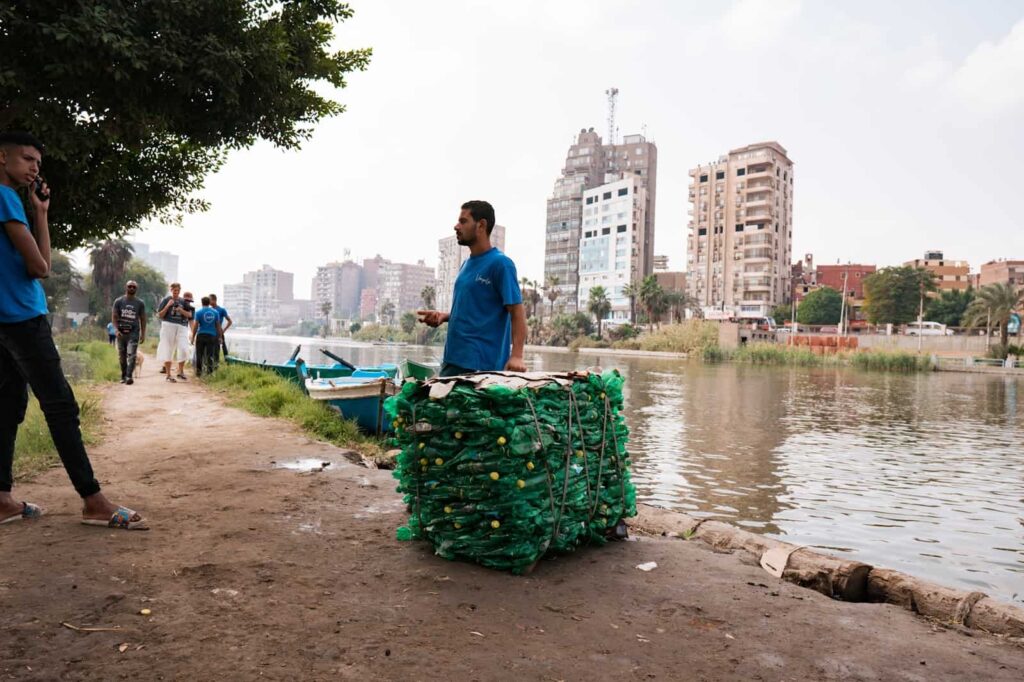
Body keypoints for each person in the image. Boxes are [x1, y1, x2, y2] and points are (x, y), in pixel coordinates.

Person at [0, 131, 146, 529]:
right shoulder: (5, 198)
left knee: (8, 405)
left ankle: (3, 499)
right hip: (23, 317)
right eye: (27, 159)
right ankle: (93, 499)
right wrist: (37, 218)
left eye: (38, 163)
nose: (34, 168)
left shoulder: (15, 201)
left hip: (4, 320)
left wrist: (40, 212)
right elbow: (40, 267)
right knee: (60, 406)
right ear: (3, 157)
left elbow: (41, 263)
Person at [417, 200, 526, 376]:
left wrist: (517, 356)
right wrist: (444, 316)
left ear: (481, 225)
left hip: (480, 367)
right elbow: (474, 311)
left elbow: (517, 312)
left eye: (463, 221)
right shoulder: (466, 265)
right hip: (453, 360)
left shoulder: (501, 264)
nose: (456, 226)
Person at [156, 282, 193, 382]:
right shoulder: (166, 300)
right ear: (171, 290)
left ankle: (180, 372)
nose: (176, 292)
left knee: (184, 348)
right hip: (168, 325)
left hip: (181, 327)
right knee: (167, 349)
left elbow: (189, 315)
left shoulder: (183, 301)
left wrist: (181, 310)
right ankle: (168, 374)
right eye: (174, 290)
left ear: (180, 291)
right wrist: (168, 306)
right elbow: (159, 315)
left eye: (177, 290)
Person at [112, 279, 146, 385]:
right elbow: (114, 316)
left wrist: (143, 333)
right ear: (126, 287)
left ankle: (129, 376)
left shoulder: (140, 303)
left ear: (136, 289)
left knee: (132, 354)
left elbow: (143, 319)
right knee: (122, 356)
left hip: (134, 332)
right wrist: (116, 330)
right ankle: (123, 376)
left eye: (134, 287)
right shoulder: (118, 301)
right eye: (129, 286)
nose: (131, 288)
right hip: (121, 332)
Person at [190, 296, 222, 376]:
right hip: (212, 336)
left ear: (202, 303)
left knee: (199, 354)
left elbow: (196, 326)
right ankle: (209, 373)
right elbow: (218, 326)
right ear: (209, 303)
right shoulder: (215, 313)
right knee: (210, 354)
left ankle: (199, 372)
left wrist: (193, 337)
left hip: (201, 335)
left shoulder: (198, 312)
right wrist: (220, 337)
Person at [208, 293, 232, 360]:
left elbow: (230, 321)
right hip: (210, 331)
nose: (208, 301)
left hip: (219, 331)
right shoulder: (208, 310)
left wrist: (223, 330)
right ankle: (212, 361)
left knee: (223, 347)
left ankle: (227, 361)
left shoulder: (221, 310)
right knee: (212, 348)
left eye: (209, 300)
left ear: (214, 300)